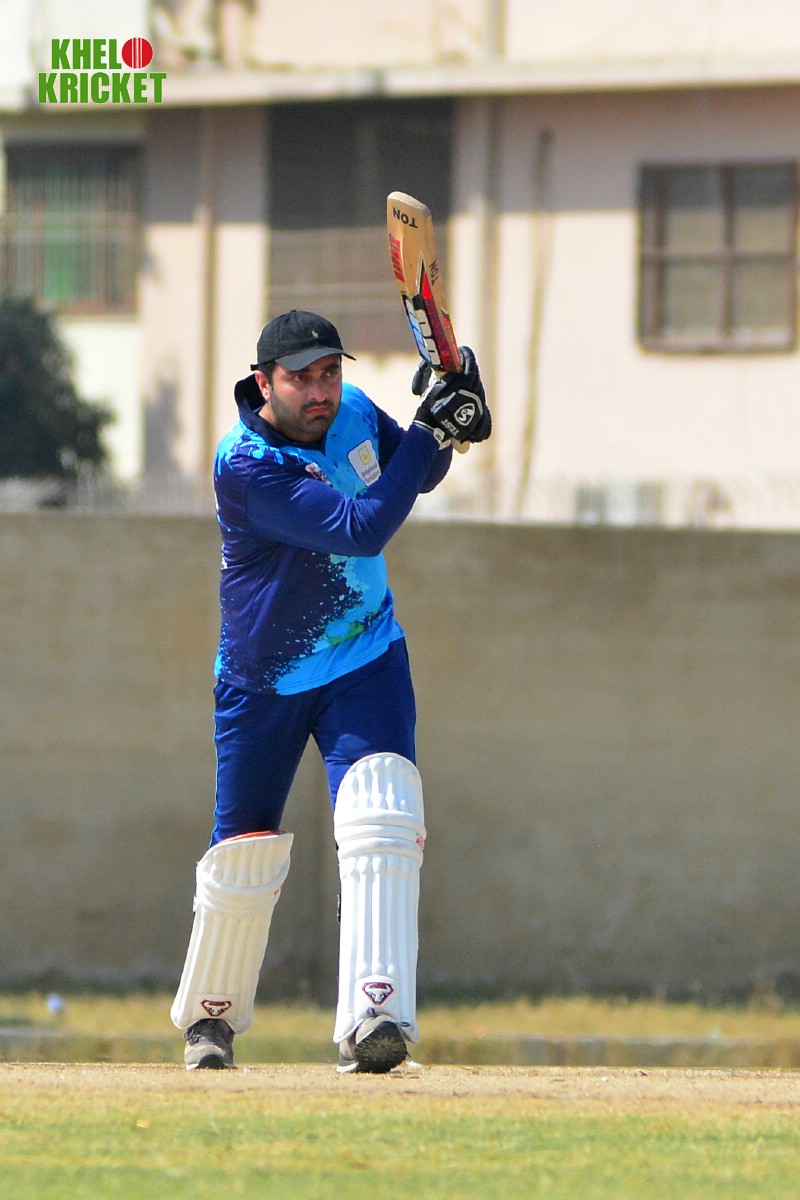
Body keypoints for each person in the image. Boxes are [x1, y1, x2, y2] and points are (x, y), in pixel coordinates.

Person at [170, 309, 491, 1073]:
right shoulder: (247, 465)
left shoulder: (353, 413)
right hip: (265, 678)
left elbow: (418, 474)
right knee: (243, 850)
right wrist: (433, 427)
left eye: (329, 373)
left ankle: (376, 1018)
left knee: (384, 815)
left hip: (364, 656)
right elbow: (361, 529)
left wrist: (454, 415)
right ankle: (211, 1020)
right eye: (300, 378)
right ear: (264, 383)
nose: (320, 392)